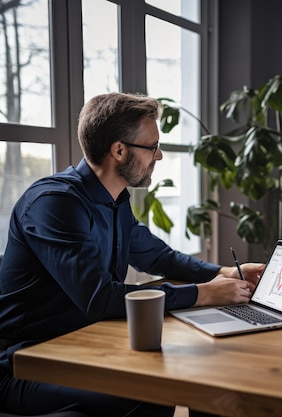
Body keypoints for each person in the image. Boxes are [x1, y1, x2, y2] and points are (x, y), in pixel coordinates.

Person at [0, 92, 265, 416]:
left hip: (83, 342)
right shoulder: (55, 204)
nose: (160, 155)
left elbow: (159, 257)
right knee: (153, 390)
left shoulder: (116, 200)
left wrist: (223, 273)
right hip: (25, 362)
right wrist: (202, 295)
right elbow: (100, 298)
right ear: (119, 150)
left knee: (199, 372)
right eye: (152, 147)